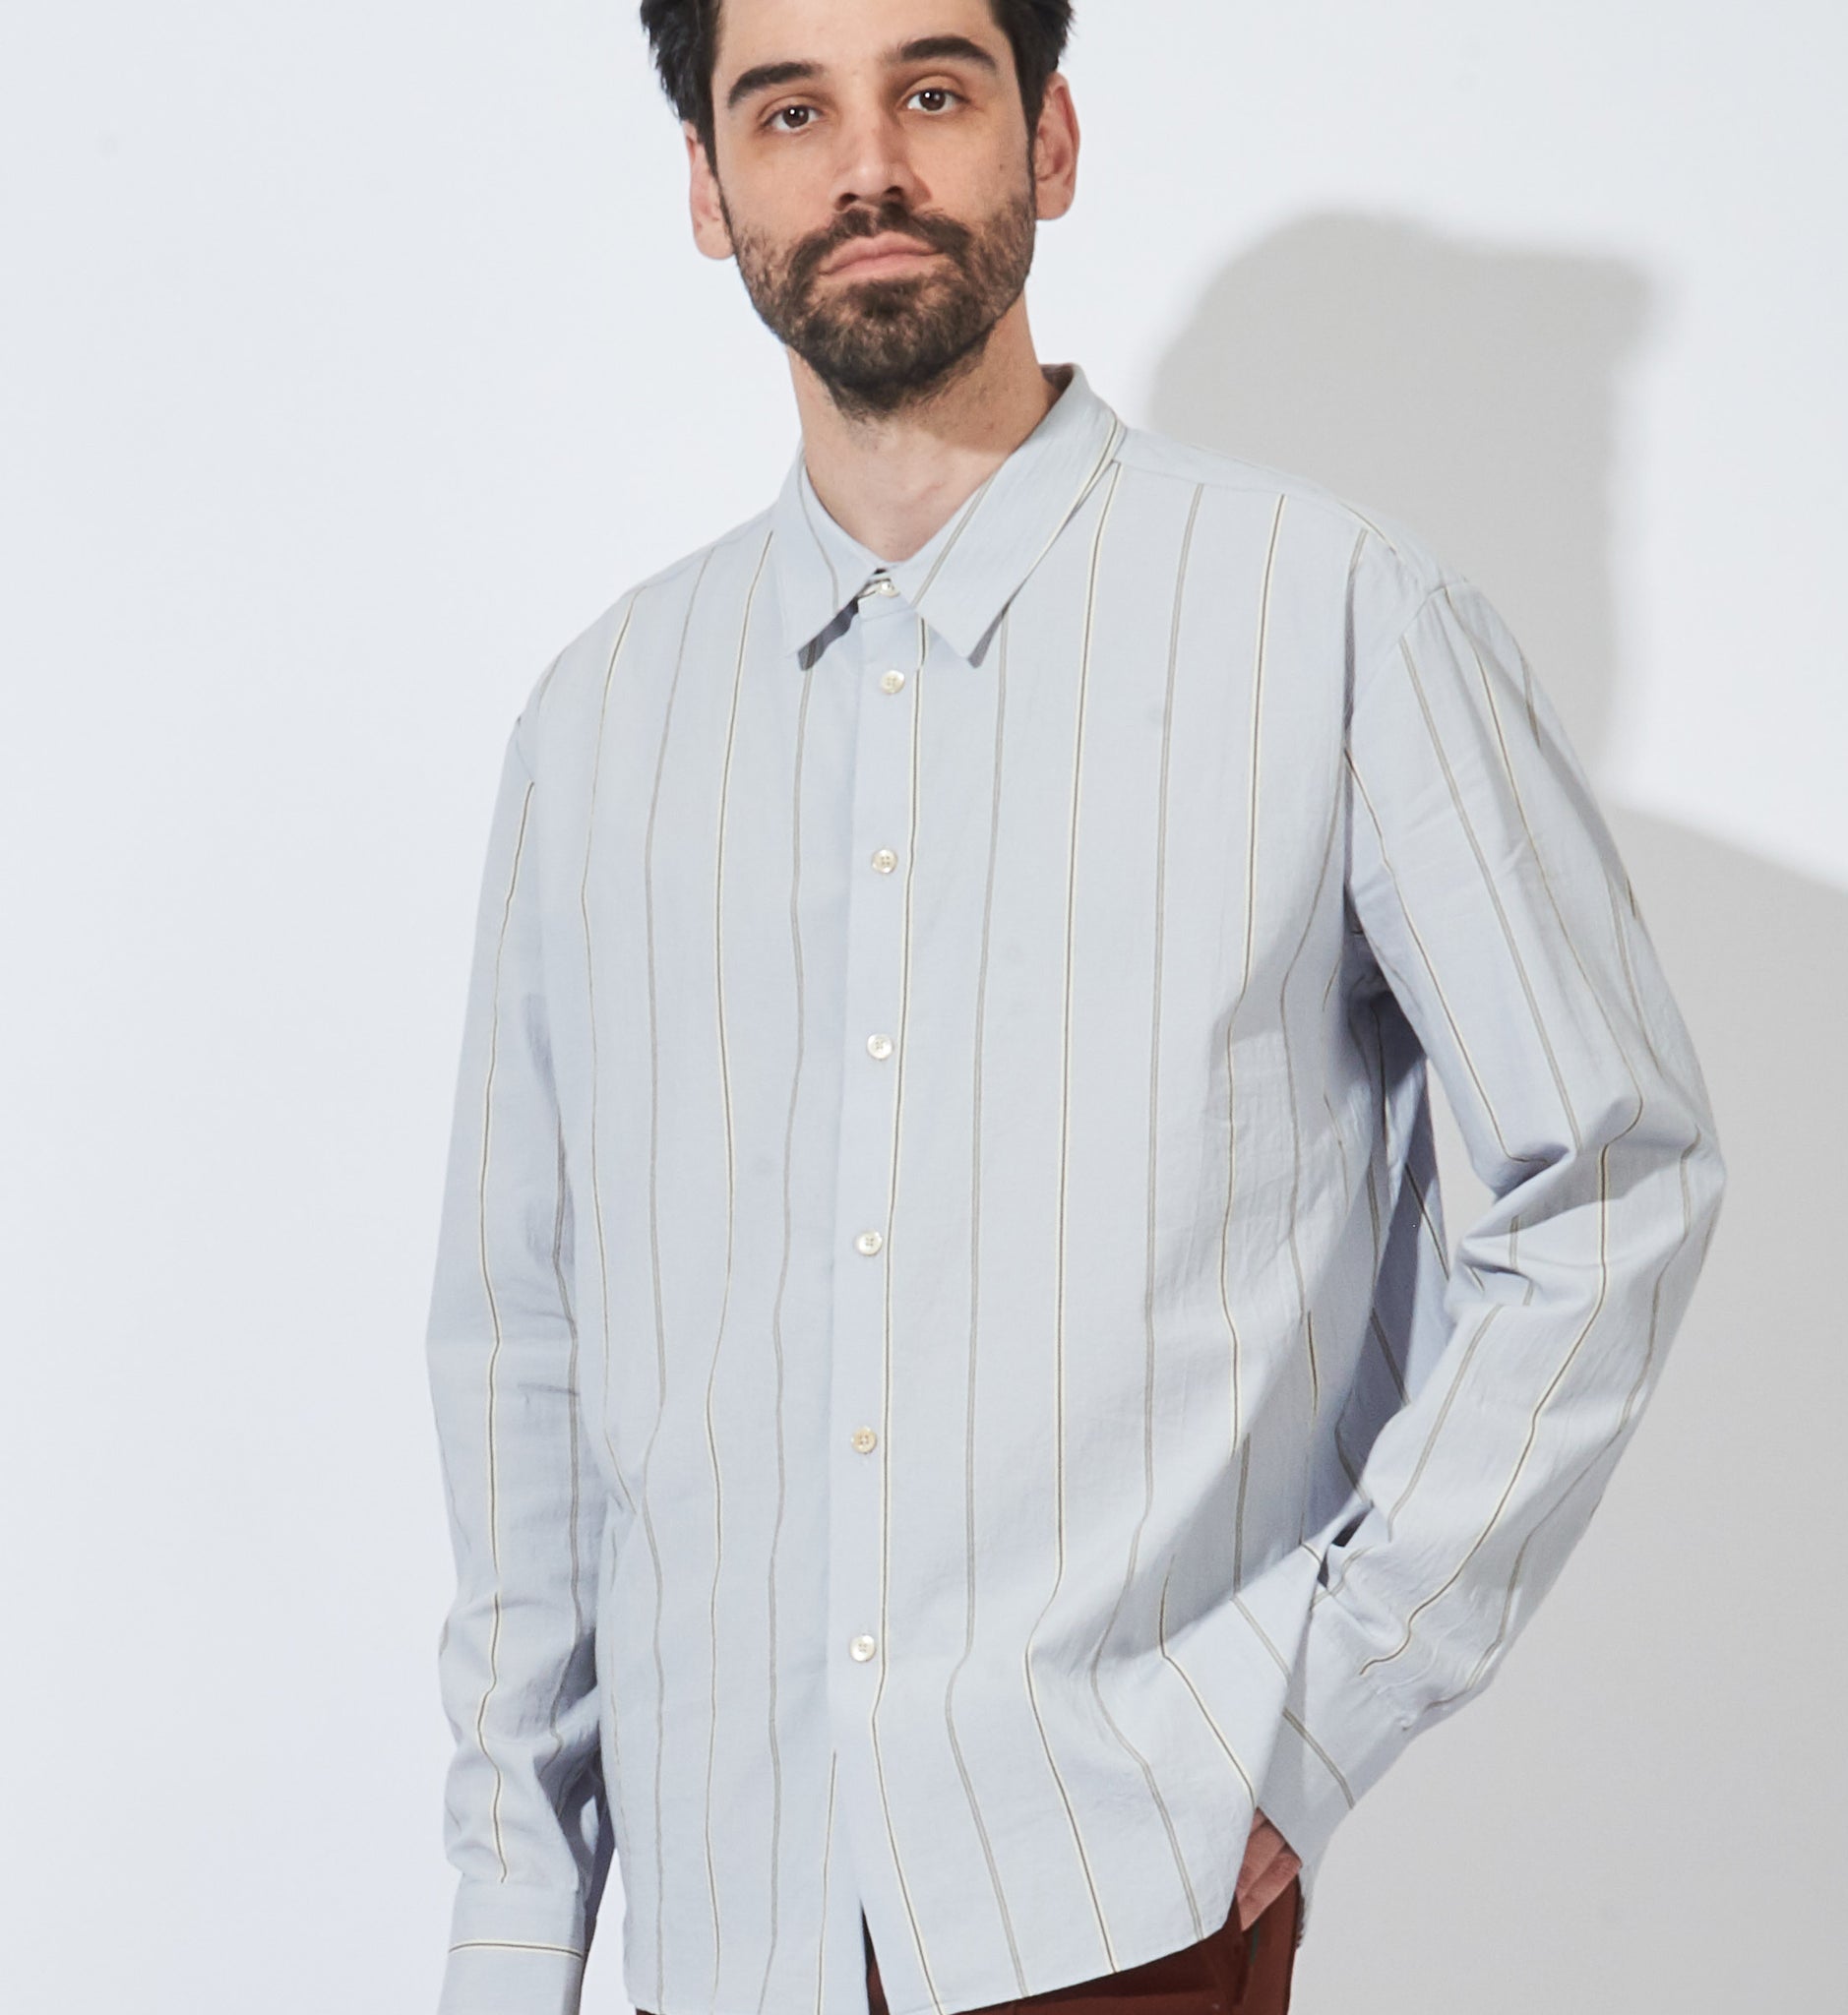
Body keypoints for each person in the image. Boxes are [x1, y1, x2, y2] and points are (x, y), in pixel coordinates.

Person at [420, 3, 1726, 2013]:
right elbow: (526, 1348)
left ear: (1049, 139)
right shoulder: (601, 724)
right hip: (718, 1931)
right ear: (708, 185)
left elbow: (1611, 1177)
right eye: (790, 110)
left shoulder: (1330, 615)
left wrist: (1320, 1711)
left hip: (1118, 1907)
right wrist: (516, 1932)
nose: (868, 165)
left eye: (933, 90)